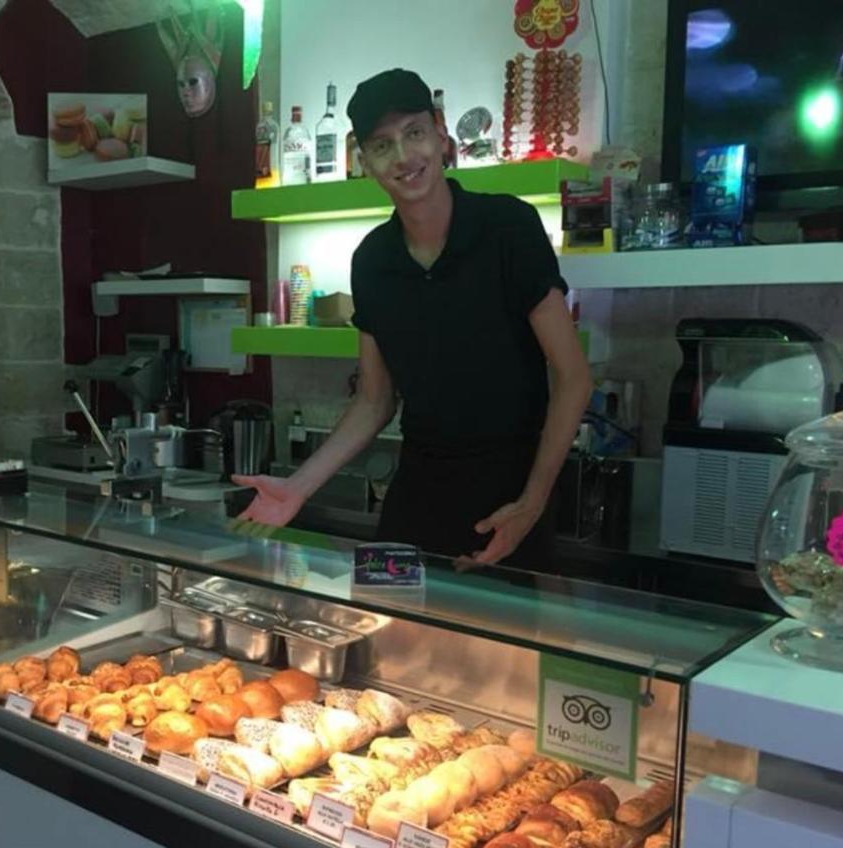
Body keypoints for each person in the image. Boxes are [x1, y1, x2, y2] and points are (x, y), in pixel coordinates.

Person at [234, 69, 592, 570]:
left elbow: (573, 377)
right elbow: (375, 400)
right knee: (388, 634)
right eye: (383, 146)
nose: (403, 157)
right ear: (364, 160)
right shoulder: (372, 261)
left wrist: (533, 502)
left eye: (414, 133)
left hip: (512, 493)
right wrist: (298, 487)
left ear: (441, 132)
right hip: (417, 488)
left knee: (497, 645)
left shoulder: (508, 228)